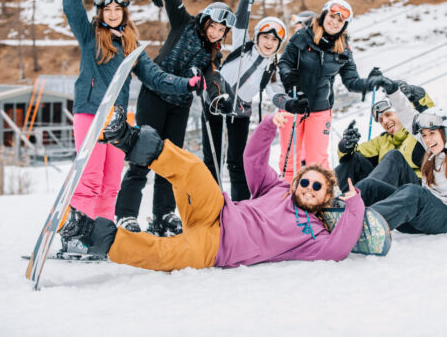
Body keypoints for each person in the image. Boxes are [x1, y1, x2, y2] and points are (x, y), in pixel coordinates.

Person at [56, 108, 369, 271]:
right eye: (305, 181)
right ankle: (127, 137)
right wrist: (268, 126)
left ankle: (85, 231)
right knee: (193, 168)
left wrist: (355, 205)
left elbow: (337, 249)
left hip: (216, 247)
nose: (309, 188)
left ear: (325, 196)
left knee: (162, 253)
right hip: (217, 210)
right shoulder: (277, 189)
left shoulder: (315, 235)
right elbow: (252, 160)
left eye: (317, 186)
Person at [60, 0, 197, 254]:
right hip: (90, 113)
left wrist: (186, 84)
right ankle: (76, 235)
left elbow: (155, 77)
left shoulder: (130, 46)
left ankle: (102, 236)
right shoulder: (89, 37)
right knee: (91, 178)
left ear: (124, 12)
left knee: (111, 183)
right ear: (100, 13)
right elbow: (71, 7)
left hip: (117, 121)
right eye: (107, 9)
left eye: (117, 9)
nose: (112, 13)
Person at [113, 0, 233, 236]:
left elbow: (213, 78)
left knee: (170, 160)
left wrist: (218, 96)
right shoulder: (184, 23)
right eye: (213, 27)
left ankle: (163, 215)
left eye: (221, 30)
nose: (216, 33)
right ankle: (126, 214)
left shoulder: (213, 54)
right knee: (142, 155)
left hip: (179, 106)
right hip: (154, 96)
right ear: (205, 21)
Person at [353, 77, 447, 234]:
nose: (427, 140)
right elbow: (408, 116)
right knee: (371, 186)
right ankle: (339, 213)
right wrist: (393, 91)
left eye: (432, 133)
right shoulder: (432, 147)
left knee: (414, 192)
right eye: (424, 135)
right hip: (425, 212)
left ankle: (365, 228)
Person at [201, 0, 287, 201]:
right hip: (216, 100)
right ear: (257, 36)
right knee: (213, 157)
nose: (268, 43)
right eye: (265, 37)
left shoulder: (272, 67)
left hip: (240, 111)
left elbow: (275, 92)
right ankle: (210, 202)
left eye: (274, 41)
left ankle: (240, 206)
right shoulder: (243, 46)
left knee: (237, 161)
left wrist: (289, 104)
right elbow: (240, 19)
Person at [275, 0, 379, 182]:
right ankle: (286, 194)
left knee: (318, 162)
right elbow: (284, 62)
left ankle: (322, 196)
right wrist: (288, 75)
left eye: (340, 20)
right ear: (324, 15)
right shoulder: (302, 36)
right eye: (332, 16)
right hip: (294, 105)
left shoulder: (343, 49)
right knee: (289, 160)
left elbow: (352, 81)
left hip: (320, 109)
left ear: (345, 25)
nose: (334, 22)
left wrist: (371, 83)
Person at [335, 81, 435, 191]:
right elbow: (356, 154)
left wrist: (414, 92)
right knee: (354, 160)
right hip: (390, 192)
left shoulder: (417, 132)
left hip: (416, 189)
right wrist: (345, 146)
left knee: (395, 156)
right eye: (381, 120)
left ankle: (361, 196)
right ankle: (328, 190)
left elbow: (429, 114)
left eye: (388, 115)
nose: (385, 121)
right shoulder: (382, 141)